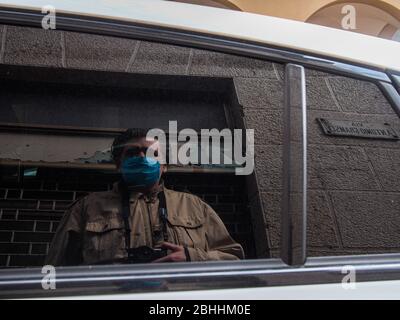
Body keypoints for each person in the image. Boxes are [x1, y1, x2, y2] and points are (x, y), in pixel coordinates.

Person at [45, 128, 244, 265]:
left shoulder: (194, 206)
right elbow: (55, 270)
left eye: (150, 153)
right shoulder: (86, 208)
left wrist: (192, 257)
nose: (142, 157)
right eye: (132, 153)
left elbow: (234, 258)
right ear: (119, 164)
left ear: (164, 166)